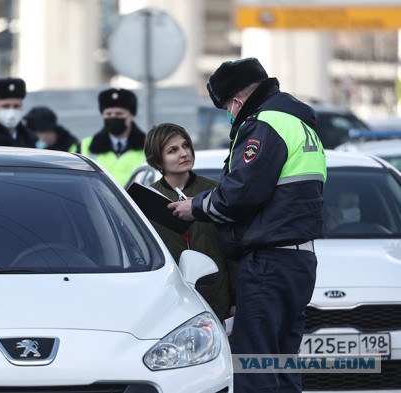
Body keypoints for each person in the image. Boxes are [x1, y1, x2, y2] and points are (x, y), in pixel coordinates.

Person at [168, 57, 326, 393]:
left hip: (269, 262)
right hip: (297, 261)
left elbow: (239, 195)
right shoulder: (299, 123)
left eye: (227, 107)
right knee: (282, 363)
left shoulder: (264, 124)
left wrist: (193, 206)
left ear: (237, 101)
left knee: (255, 365)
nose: (229, 115)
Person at [143, 122, 236, 322]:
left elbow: (234, 247)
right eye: (173, 150)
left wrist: (237, 297)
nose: (184, 153)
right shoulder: (145, 200)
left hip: (216, 297)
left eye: (186, 146)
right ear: (158, 161)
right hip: (168, 300)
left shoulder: (216, 192)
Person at [79, 88, 146, 186]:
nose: (113, 117)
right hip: (98, 200)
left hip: (134, 201)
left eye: (119, 114)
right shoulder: (87, 145)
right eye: (108, 114)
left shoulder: (148, 146)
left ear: (131, 115)